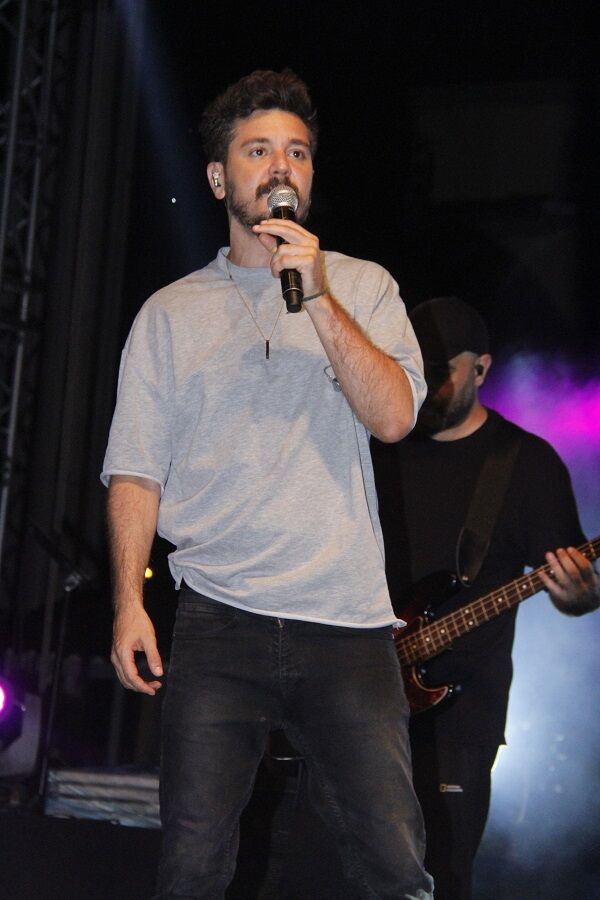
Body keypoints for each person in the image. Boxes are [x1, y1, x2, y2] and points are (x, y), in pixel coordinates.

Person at [102, 69, 434, 900]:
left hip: (348, 624)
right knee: (192, 869)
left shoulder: (363, 286)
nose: (282, 165)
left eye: (298, 152)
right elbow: (135, 470)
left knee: (395, 869)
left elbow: (395, 418)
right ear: (220, 178)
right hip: (219, 621)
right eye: (259, 151)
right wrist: (128, 602)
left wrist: (318, 298)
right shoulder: (170, 314)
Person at [371, 295, 600, 900]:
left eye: (442, 369)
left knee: (438, 878)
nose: (427, 383)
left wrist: (581, 594)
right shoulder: (378, 445)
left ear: (481, 368)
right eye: (417, 365)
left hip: (458, 720)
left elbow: (572, 585)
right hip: (355, 699)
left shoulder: (525, 465)